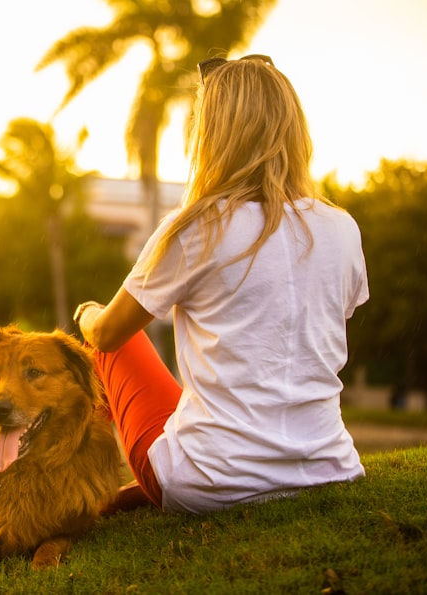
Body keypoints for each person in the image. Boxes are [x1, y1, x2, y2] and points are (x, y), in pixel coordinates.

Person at [73, 54, 368, 514]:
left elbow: (109, 333)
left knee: (109, 344)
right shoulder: (342, 228)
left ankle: (78, 488)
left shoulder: (197, 228)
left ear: (214, 135)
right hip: (330, 471)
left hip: (212, 486)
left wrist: (87, 314)